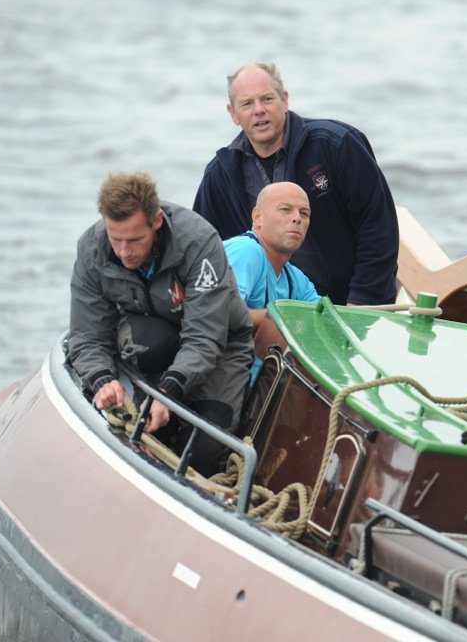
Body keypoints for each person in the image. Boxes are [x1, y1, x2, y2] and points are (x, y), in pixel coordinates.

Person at [68, 172, 254, 475]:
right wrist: (102, 380)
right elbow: (87, 336)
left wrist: (167, 392)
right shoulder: (91, 250)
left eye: (135, 240)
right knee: (145, 428)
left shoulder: (198, 241)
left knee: (205, 455)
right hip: (151, 336)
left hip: (221, 346)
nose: (124, 252)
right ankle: (154, 427)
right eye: (116, 239)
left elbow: (205, 337)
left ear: (156, 221)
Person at [193, 62, 399, 305]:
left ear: (285, 99)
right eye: (247, 104)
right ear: (233, 113)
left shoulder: (337, 144)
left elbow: (378, 227)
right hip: (271, 315)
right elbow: (205, 252)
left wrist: (362, 301)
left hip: (352, 302)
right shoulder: (221, 175)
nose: (259, 110)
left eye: (267, 99)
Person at [223, 181, 321, 333]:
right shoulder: (245, 250)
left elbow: (325, 320)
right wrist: (284, 318)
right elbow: (220, 315)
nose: (297, 218)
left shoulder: (296, 279)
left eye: (304, 213)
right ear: (257, 217)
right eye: (285, 210)